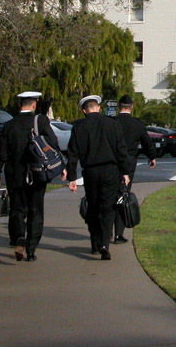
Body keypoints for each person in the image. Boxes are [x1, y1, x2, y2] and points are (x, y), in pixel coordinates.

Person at [0, 91, 64, 262]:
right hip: (37, 172)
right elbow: (52, 143)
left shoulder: (9, 125)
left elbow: (0, 151)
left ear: (19, 105)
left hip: (15, 172)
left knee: (17, 208)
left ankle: (18, 238)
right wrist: (61, 165)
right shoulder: (40, 121)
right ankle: (31, 249)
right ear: (34, 105)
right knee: (35, 210)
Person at [66, 95, 130, 260]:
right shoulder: (112, 124)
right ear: (98, 108)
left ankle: (95, 243)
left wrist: (71, 177)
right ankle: (104, 243)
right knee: (108, 208)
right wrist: (125, 172)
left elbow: (73, 153)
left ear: (84, 111)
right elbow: (121, 150)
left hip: (90, 171)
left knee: (93, 206)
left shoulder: (79, 127)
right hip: (110, 170)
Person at [113, 94, 156, 244]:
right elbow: (146, 141)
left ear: (119, 107)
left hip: (112, 161)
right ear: (131, 107)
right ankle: (118, 233)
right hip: (129, 161)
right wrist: (152, 156)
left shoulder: (111, 122)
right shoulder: (137, 124)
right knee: (122, 195)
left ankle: (104, 231)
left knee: (110, 194)